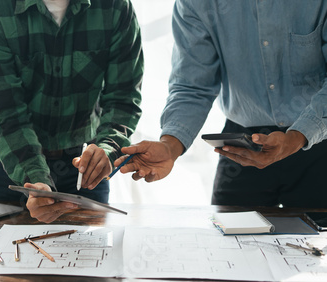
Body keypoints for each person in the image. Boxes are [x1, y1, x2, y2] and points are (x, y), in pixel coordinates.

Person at [116, 0, 327, 208]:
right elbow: (192, 86)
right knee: (228, 236)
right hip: (242, 146)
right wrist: (170, 147)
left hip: (318, 138)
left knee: (316, 239)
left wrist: (296, 137)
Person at [0, 0, 143, 222]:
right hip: (13, 163)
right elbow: (7, 116)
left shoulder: (115, 7)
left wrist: (108, 149)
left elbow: (123, 98)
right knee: (5, 252)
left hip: (86, 169)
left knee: (90, 255)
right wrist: (37, 180)